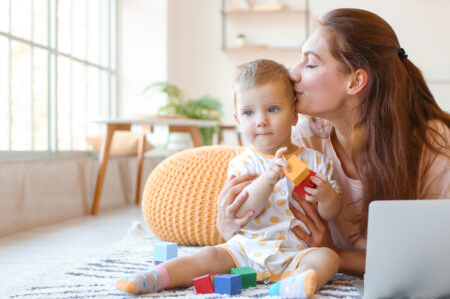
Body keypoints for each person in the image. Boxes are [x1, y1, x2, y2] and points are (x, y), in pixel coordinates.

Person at [216, 7, 450, 278]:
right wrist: (228, 223)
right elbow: (261, 224)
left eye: (311, 63)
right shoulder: (302, 139)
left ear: (356, 81)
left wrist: (333, 255)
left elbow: (437, 262)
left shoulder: (432, 146)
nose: (293, 74)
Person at [116, 59, 342, 298]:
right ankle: (156, 276)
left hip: (296, 250)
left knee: (328, 257)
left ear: (294, 115)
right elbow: (242, 208)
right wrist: (267, 179)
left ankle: (292, 285)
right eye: (248, 112)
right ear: (238, 120)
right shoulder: (243, 163)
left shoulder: (316, 161)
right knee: (206, 256)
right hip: (245, 248)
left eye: (272, 109)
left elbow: (332, 212)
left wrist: (327, 196)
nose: (261, 120)